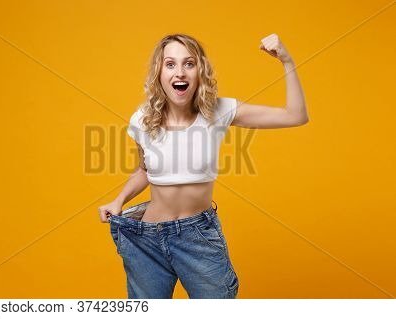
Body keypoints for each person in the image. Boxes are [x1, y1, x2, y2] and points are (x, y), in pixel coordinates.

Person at [98, 33, 309, 299]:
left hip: (196, 236)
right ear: (159, 72)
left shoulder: (219, 110)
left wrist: (287, 61)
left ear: (201, 70)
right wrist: (118, 200)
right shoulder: (143, 118)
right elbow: (144, 171)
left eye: (189, 63)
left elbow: (295, 115)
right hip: (145, 238)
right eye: (170, 64)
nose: (180, 72)